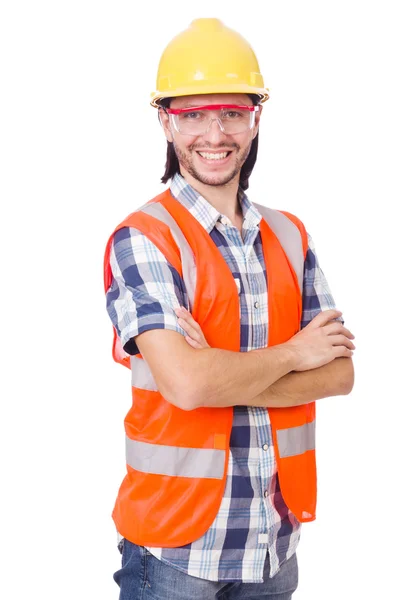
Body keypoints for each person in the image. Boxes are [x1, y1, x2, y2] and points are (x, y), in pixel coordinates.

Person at [103, 17, 355, 600]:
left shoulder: (291, 236)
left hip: (274, 544)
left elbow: (340, 374)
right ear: (166, 122)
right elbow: (189, 388)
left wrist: (216, 373)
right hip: (175, 552)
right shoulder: (144, 238)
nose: (213, 134)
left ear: (255, 118)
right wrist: (295, 354)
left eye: (231, 114)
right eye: (192, 115)